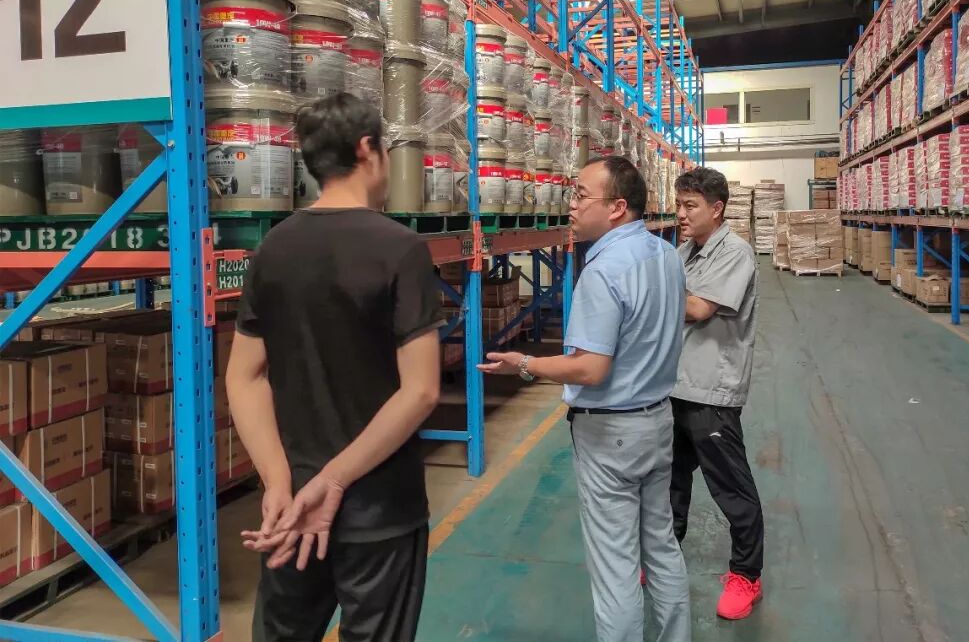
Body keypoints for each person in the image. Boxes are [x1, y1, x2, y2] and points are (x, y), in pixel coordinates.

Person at [227, 92, 443, 642]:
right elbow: (420, 391)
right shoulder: (400, 249)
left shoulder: (273, 248)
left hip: (291, 508)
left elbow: (243, 375)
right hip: (378, 511)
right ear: (368, 149)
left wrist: (278, 480)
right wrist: (336, 479)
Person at [481, 156, 691, 642]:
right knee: (660, 545)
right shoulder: (665, 255)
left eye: (579, 195)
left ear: (617, 207)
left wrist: (525, 364)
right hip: (657, 420)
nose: (570, 205)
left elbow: (590, 368)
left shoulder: (604, 269)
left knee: (615, 564)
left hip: (612, 432)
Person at [670, 167, 765, 621]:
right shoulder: (684, 251)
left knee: (730, 488)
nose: (681, 213)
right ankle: (664, 557)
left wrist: (645, 285)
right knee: (669, 481)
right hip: (674, 384)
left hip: (711, 390)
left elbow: (698, 308)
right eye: (678, 204)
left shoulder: (735, 253)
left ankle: (746, 575)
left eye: (690, 205)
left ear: (717, 208)